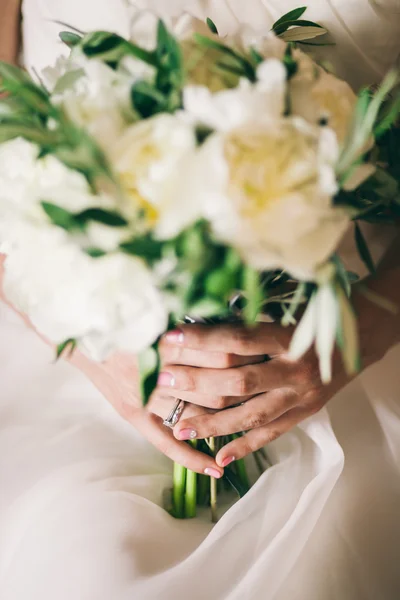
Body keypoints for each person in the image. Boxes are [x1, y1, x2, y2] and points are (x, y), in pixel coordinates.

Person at [0, 1, 400, 598]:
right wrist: (89, 342)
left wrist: (360, 331)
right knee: (91, 565)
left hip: (351, 328)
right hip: (71, 345)